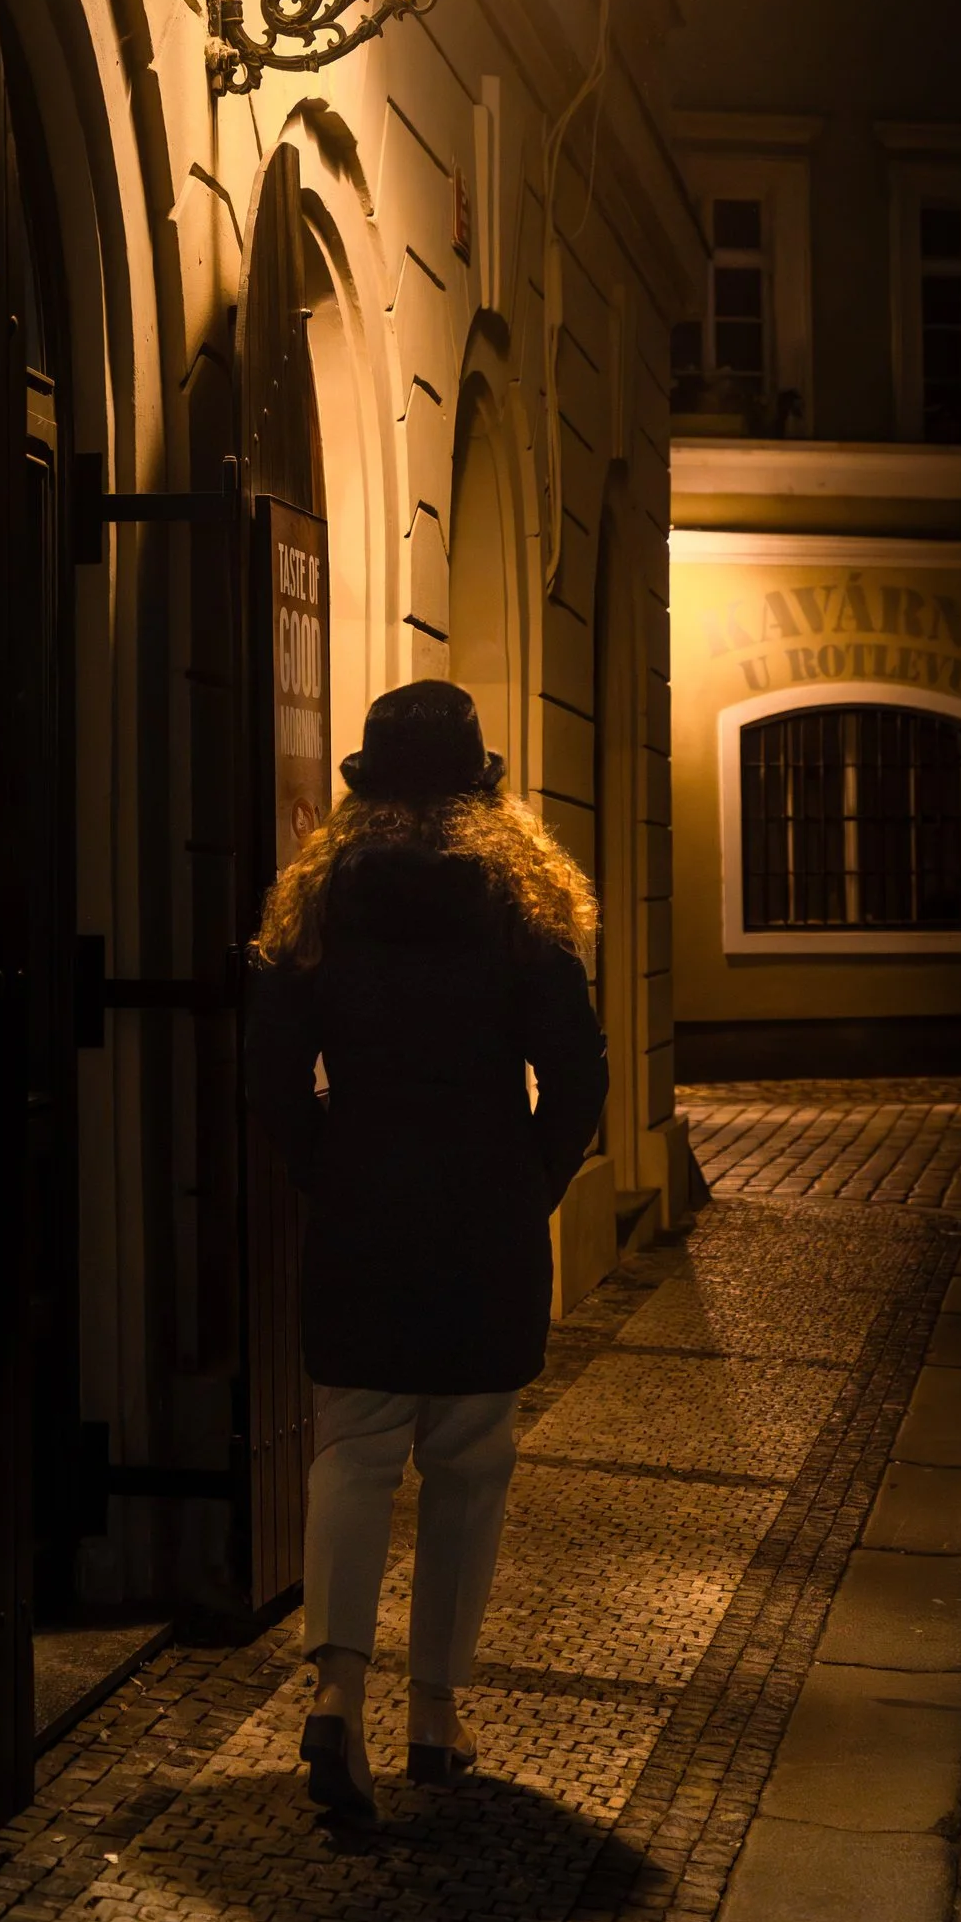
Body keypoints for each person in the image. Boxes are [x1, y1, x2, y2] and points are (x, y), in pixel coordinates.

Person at [246, 680, 608, 1825]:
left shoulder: (320, 902)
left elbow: (266, 1076)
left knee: (352, 1449)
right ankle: (436, 1717)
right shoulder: (518, 902)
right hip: (481, 1214)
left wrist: (323, 1165)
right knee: (470, 1459)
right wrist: (532, 1179)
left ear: (363, 790)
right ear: (478, 786)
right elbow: (579, 1074)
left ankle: (337, 1698)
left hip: (362, 1204)